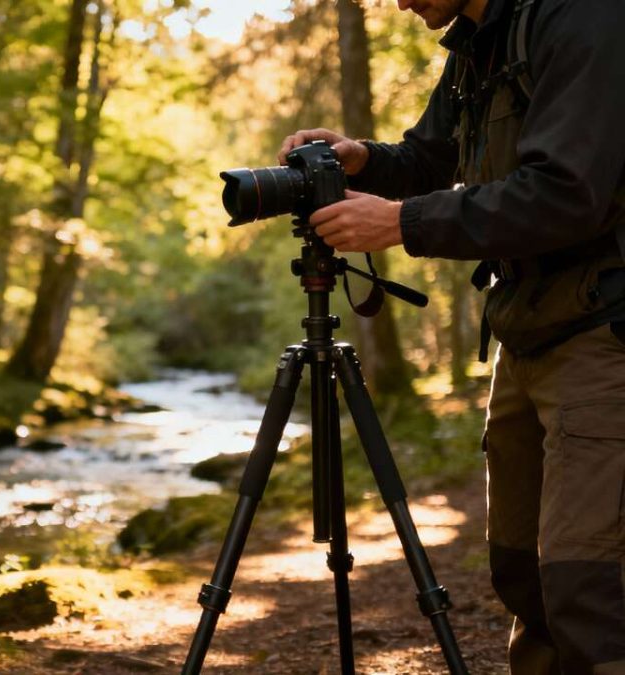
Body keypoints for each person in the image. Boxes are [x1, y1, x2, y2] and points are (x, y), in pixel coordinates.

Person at [276, 0, 625, 672]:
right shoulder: (478, 44)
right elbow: (430, 156)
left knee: (591, 586)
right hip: (524, 327)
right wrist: (360, 161)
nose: (398, 1)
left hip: (602, 333)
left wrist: (402, 223)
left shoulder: (584, 18)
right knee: (522, 571)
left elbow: (564, 192)